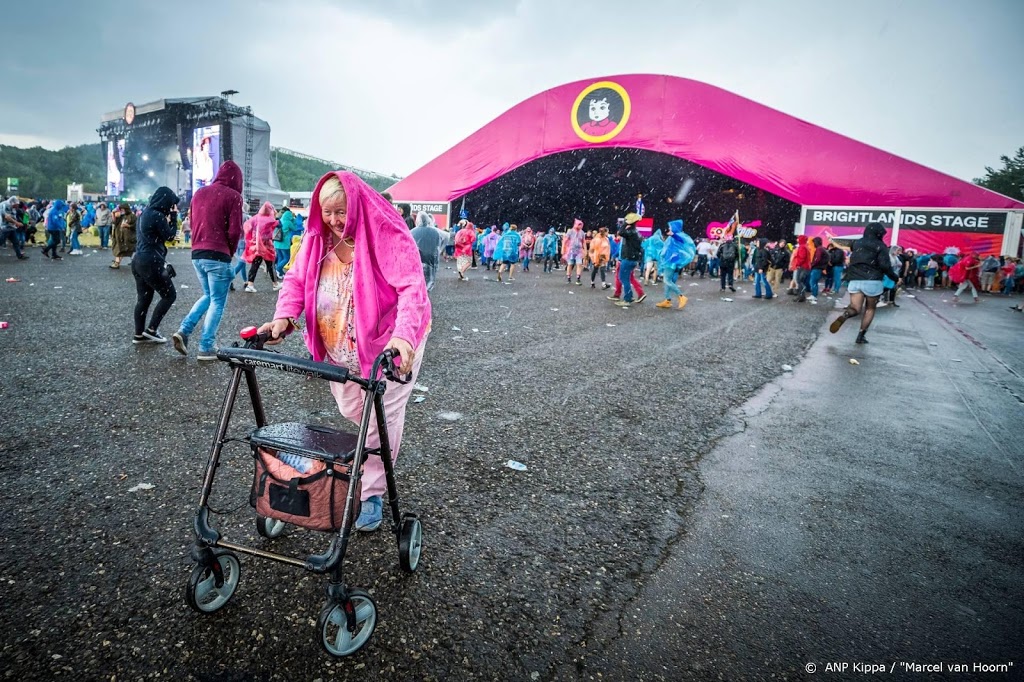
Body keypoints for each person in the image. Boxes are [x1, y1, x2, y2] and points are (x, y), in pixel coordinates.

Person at [257, 171, 431, 533]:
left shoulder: (386, 232)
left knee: (379, 415)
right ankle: (368, 460)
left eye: (341, 212)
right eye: (328, 213)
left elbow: (413, 289)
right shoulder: (318, 237)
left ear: (356, 206)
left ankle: (371, 493)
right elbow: (295, 279)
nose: (335, 221)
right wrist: (283, 318)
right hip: (342, 349)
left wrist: (403, 338)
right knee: (353, 409)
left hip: (390, 344)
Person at [172, 161, 244, 362]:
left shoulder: (200, 193)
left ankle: (184, 331)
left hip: (197, 253)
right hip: (218, 254)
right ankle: (206, 346)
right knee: (218, 301)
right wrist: (229, 254)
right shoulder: (234, 197)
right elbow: (234, 230)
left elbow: (194, 222)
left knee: (208, 295)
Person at [828, 222, 901, 344]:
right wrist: (895, 277)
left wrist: (832, 241)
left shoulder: (857, 243)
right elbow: (884, 265)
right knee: (870, 309)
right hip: (872, 280)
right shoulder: (880, 246)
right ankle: (861, 335)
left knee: (855, 308)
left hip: (855, 280)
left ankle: (846, 315)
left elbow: (846, 248)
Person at [131, 187, 178, 345]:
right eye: (171, 205)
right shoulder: (157, 216)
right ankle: (151, 329)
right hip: (152, 261)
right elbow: (170, 235)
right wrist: (174, 216)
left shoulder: (144, 213)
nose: (171, 207)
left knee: (143, 299)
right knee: (169, 295)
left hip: (138, 259)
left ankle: (138, 334)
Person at [655, 219, 695, 309]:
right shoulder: (671, 238)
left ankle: (681, 296)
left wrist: (673, 234)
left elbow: (682, 241)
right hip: (668, 262)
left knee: (667, 281)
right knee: (668, 281)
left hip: (671, 263)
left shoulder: (678, 236)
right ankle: (667, 300)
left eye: (670, 227)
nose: (669, 228)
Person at [243, 202, 281, 292]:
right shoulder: (270, 219)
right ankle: (275, 284)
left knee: (255, 265)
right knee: (270, 265)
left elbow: (246, 227)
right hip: (266, 246)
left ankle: (250, 285)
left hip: (256, 246)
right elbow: (280, 224)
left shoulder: (255, 218)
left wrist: (252, 238)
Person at [410, 211, 448, 291]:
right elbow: (446, 237)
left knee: (418, 278)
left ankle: (420, 293)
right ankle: (426, 292)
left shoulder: (412, 232)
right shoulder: (435, 231)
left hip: (418, 257)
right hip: (431, 258)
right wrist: (440, 250)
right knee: (430, 278)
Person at [614, 212, 645, 308]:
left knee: (623, 278)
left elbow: (620, 232)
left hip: (628, 258)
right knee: (627, 278)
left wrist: (624, 224)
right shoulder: (637, 232)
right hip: (633, 259)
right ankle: (630, 296)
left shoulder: (631, 232)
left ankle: (627, 298)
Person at [274, 206, 299, 278]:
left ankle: (280, 273)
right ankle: (278, 269)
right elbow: (295, 228)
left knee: (280, 258)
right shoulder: (288, 222)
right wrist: (293, 219)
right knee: (286, 258)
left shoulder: (280, 220)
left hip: (277, 243)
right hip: (284, 244)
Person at [110, 202, 136, 268]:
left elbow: (136, 226)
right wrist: (113, 213)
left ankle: (117, 263)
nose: (122, 211)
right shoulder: (121, 216)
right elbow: (114, 222)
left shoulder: (132, 216)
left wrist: (128, 226)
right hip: (119, 236)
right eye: (121, 209)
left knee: (126, 250)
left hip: (128, 237)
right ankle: (117, 263)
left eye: (123, 209)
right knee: (119, 249)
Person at [563, 219, 586, 284]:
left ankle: (578, 278)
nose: (580, 226)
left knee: (579, 264)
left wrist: (585, 250)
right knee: (570, 264)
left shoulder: (582, 232)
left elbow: (583, 241)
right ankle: (568, 277)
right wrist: (563, 249)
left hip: (579, 250)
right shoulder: (570, 231)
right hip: (571, 250)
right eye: (579, 225)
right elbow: (565, 240)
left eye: (581, 225)